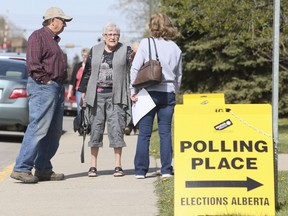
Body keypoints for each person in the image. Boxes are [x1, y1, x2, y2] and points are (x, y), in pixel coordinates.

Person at [10, 7, 73, 184]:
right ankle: (21, 168)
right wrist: (47, 82)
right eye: (63, 21)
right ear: (53, 20)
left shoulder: (53, 41)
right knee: (38, 128)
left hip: (56, 88)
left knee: (53, 132)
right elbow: (33, 64)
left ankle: (43, 168)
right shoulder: (38, 36)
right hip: (44, 87)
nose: (65, 25)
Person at [130, 13, 182, 179]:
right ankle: (167, 169)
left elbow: (135, 68)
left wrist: (133, 90)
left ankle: (140, 171)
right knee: (165, 132)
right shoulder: (175, 48)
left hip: (148, 92)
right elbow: (178, 75)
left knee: (144, 133)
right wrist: (175, 90)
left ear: (151, 26)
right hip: (168, 93)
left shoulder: (146, 43)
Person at [78, 22, 133, 177]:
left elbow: (133, 69)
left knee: (117, 129)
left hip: (117, 97)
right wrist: (82, 91)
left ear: (119, 36)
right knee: (95, 129)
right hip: (96, 97)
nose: (112, 37)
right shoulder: (94, 50)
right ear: (104, 36)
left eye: (115, 34)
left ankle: (118, 166)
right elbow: (87, 71)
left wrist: (134, 91)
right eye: (109, 34)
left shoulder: (126, 50)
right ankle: (93, 166)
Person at [67, 48, 90, 115]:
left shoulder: (91, 66)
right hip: (79, 90)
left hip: (89, 91)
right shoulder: (77, 66)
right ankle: (81, 124)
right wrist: (69, 92)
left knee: (88, 110)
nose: (84, 57)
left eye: (86, 56)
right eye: (83, 55)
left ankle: (88, 124)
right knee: (80, 109)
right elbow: (72, 80)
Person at [124, 42, 139, 136]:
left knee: (137, 106)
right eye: (134, 51)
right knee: (128, 106)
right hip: (129, 85)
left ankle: (136, 126)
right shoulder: (128, 60)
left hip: (139, 86)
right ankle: (129, 126)